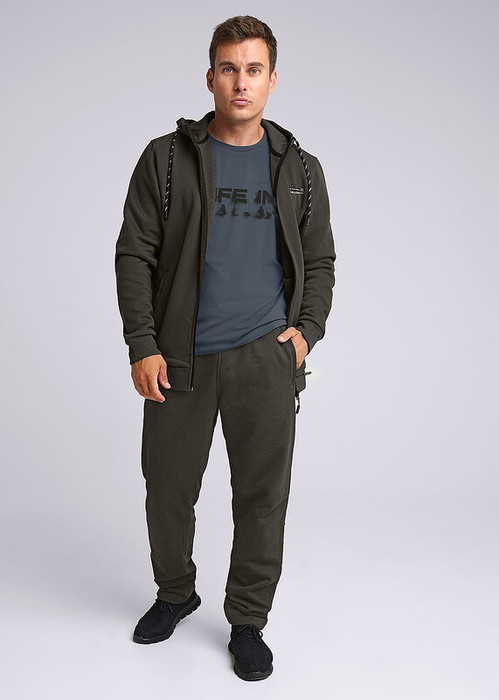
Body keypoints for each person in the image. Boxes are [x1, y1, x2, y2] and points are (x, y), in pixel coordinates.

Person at [115, 15, 336, 682]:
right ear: (210, 77)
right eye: (229, 68)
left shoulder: (299, 169)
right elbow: (134, 254)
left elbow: (320, 260)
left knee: (261, 498)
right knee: (167, 490)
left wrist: (305, 334)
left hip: (265, 359)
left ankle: (246, 621)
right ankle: (175, 593)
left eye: (253, 69)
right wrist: (142, 343)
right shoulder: (166, 159)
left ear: (272, 80)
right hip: (178, 359)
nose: (241, 82)